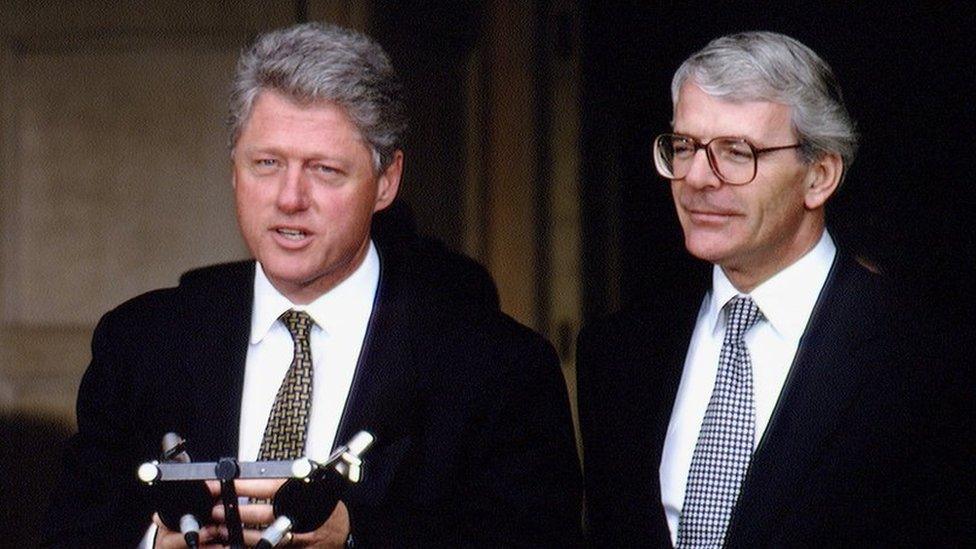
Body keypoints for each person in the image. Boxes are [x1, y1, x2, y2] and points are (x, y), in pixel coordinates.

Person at [44, 22, 581, 547]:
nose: (289, 198)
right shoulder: (139, 343)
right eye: (267, 163)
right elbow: (72, 533)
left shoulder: (499, 368)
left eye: (323, 170)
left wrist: (357, 538)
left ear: (386, 180)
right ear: (234, 168)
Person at [577, 31, 959, 547]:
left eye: (737, 152)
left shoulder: (924, 356)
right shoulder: (618, 351)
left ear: (819, 176)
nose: (696, 177)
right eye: (685, 146)